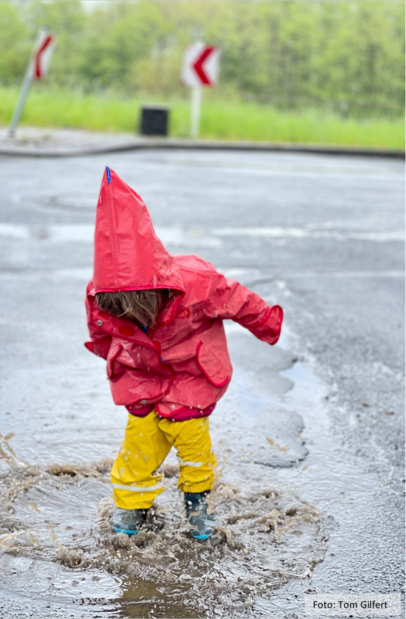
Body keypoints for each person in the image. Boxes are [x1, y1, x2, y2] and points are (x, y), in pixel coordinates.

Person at [85, 167, 283, 540]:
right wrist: (110, 359)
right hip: (142, 375)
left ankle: (198, 508)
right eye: (119, 306)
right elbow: (99, 332)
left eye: (136, 305)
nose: (127, 313)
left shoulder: (197, 283)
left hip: (191, 372)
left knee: (192, 443)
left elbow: (241, 301)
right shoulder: (101, 297)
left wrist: (267, 325)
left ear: (155, 291)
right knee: (137, 446)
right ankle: (133, 508)